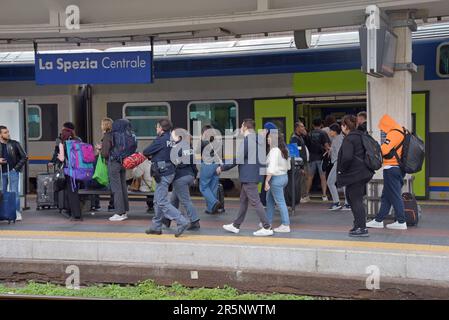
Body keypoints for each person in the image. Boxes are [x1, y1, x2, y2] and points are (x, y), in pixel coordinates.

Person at [218, 119, 273, 237]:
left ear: (245, 127)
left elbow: (238, 158)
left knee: (256, 202)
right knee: (243, 200)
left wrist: (223, 167)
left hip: (249, 176)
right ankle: (236, 225)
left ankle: (267, 226)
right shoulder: (259, 139)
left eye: (241, 126)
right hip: (253, 174)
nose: (240, 128)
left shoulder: (248, 140)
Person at [143, 119, 189, 237]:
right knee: (157, 200)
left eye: (157, 127)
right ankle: (156, 226)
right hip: (170, 171)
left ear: (161, 128)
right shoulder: (172, 139)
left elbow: (146, 151)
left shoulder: (161, 140)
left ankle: (181, 221)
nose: (156, 129)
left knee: (162, 201)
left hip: (162, 172)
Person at [366, 114, 408, 230]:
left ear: (386, 125)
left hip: (392, 168)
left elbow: (384, 150)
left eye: (383, 128)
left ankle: (401, 221)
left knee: (394, 195)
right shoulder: (402, 130)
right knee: (387, 196)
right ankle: (379, 220)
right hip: (396, 168)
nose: (383, 131)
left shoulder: (394, 133)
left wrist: (377, 147)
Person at [336, 115, 374, 237]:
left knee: (355, 200)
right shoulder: (360, 135)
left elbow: (347, 157)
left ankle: (361, 228)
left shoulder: (349, 139)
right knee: (352, 197)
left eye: (342, 125)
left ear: (345, 126)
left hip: (355, 174)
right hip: (363, 173)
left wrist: (342, 170)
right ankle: (358, 225)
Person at [166, 128, 200, 231]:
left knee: (185, 201)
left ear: (179, 137)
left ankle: (195, 221)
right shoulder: (189, 147)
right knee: (173, 199)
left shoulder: (176, 147)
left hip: (180, 177)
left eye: (173, 136)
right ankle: (166, 220)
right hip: (189, 176)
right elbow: (193, 164)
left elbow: (175, 163)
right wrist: (194, 176)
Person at [51, 124, 83, 220]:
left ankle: (74, 214)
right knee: (74, 191)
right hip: (77, 169)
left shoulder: (61, 141)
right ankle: (73, 212)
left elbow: (60, 157)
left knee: (69, 192)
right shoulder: (78, 140)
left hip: (67, 169)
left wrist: (54, 160)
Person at [104, 119, 134, 222]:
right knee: (122, 187)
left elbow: (105, 153)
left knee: (116, 188)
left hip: (114, 163)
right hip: (124, 163)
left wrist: (102, 151)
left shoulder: (112, 135)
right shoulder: (128, 135)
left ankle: (119, 213)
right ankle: (124, 211)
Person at [265, 132, 291, 233]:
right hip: (284, 177)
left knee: (280, 202)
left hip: (276, 178)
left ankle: (285, 224)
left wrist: (267, 181)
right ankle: (267, 222)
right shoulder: (283, 149)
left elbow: (271, 168)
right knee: (270, 199)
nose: (268, 139)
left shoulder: (274, 150)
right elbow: (288, 166)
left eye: (269, 138)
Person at [0, 125, 27, 221]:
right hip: (1, 172)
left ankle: (16, 212)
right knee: (1, 193)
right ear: (0, 135)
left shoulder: (14, 144)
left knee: (14, 193)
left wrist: (15, 169)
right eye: (5, 132)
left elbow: (24, 156)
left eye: (8, 132)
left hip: (12, 172)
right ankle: (3, 213)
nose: (8, 134)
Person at [91, 118, 114, 211]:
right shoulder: (112, 135)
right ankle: (112, 204)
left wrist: (100, 150)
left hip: (108, 163)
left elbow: (106, 153)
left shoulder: (107, 136)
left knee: (111, 183)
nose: (100, 126)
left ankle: (113, 204)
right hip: (110, 162)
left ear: (105, 126)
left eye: (102, 124)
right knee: (112, 183)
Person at [199, 125, 222, 214]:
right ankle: (211, 209)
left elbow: (197, 151)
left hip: (207, 165)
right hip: (216, 165)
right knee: (213, 186)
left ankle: (214, 202)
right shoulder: (218, 141)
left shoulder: (204, 141)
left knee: (203, 187)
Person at [306, 118, 331, 201]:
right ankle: (324, 195)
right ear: (321, 125)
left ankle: (307, 195)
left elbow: (307, 145)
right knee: (323, 177)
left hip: (311, 158)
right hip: (321, 158)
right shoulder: (323, 133)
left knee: (310, 177)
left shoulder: (309, 134)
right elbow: (327, 145)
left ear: (313, 125)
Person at [326, 123, 350, 211]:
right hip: (340, 163)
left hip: (338, 163)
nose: (329, 133)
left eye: (330, 131)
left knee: (330, 182)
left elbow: (341, 151)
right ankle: (347, 204)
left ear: (334, 131)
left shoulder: (337, 138)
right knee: (343, 183)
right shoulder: (339, 138)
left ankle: (337, 203)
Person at [290, 121, 310, 203]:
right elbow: (294, 153)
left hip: (304, 162)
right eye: (302, 127)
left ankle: (304, 195)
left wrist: (306, 135)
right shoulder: (294, 138)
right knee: (301, 179)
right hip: (300, 163)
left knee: (304, 179)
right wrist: (300, 166)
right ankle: (301, 196)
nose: (303, 128)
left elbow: (309, 143)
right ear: (297, 128)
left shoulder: (300, 137)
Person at [260, 122, 278, 207]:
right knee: (267, 183)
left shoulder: (268, 139)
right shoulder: (267, 139)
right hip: (267, 165)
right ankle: (266, 201)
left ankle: (265, 201)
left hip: (268, 165)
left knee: (266, 182)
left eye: (265, 129)